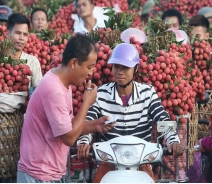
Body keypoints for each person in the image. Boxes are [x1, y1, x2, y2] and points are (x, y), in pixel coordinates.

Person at [77, 43, 184, 183]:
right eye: (116, 66)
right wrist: (84, 142)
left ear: (136, 69)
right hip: (109, 163)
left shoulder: (147, 93)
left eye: (125, 67)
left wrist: (173, 141)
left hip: (141, 163)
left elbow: (162, 118)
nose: (119, 71)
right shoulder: (101, 94)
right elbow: (89, 121)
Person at [17, 34, 115, 183]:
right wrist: (86, 103)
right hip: (38, 175)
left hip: (48, 173)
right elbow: (69, 137)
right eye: (89, 67)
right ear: (74, 63)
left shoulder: (62, 81)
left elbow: (68, 126)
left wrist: (96, 125)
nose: (91, 73)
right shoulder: (54, 90)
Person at [7, 13, 42, 89]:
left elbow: (39, 92)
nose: (22, 38)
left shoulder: (32, 62)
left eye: (25, 34)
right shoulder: (2, 59)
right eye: (18, 33)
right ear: (8, 34)